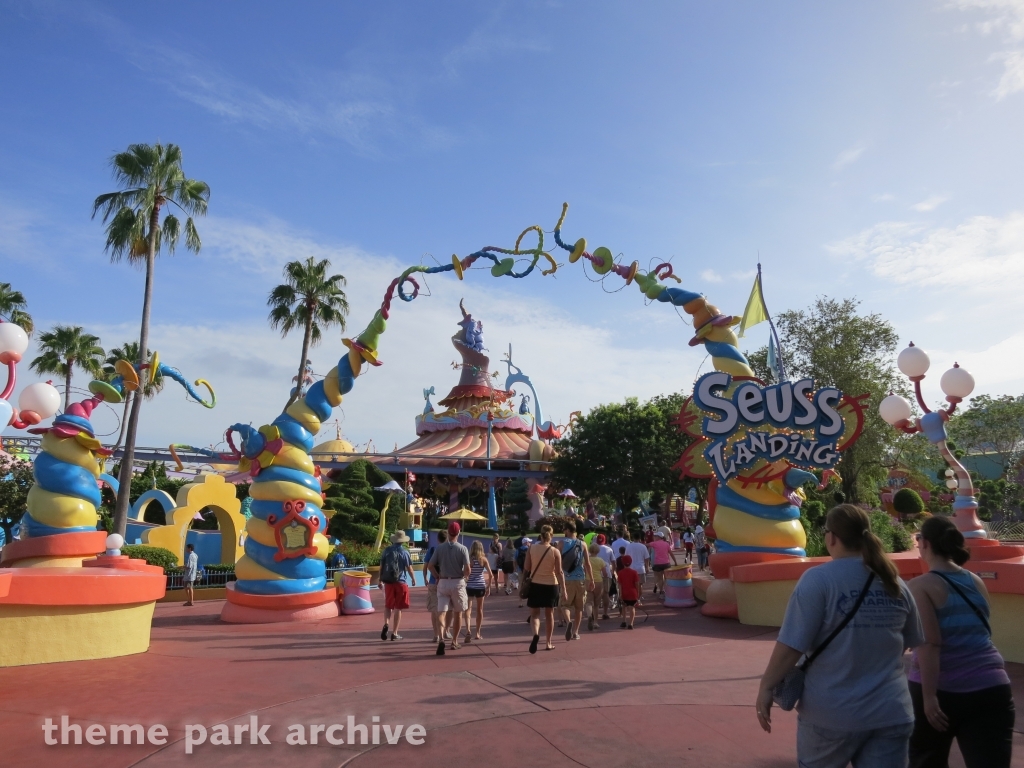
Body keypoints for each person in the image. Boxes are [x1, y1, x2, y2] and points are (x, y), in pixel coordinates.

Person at [755, 504, 924, 767]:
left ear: (831, 537)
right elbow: (908, 643)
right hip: (891, 711)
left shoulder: (818, 580)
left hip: (832, 713)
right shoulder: (895, 583)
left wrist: (766, 687)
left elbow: (791, 646)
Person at [908, 516, 1015, 768]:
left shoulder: (920, 586)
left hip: (943, 691)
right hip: (992, 688)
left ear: (925, 543)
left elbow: (930, 644)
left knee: (926, 760)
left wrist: (929, 697)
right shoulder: (975, 580)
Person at [427, 522, 471, 655]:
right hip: (457, 581)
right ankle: (454, 641)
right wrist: (464, 577)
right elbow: (468, 570)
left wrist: (437, 576)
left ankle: (441, 638)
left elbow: (430, 565)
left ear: (448, 532)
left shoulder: (440, 548)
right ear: (458, 533)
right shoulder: (463, 549)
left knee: (441, 612)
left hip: (443, 582)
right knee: (458, 612)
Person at [523, 525, 567, 653]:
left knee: (535, 614)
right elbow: (559, 572)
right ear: (551, 536)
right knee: (550, 615)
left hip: (535, 584)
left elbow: (527, 567)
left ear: (540, 535)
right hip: (551, 585)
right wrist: (563, 588)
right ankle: (548, 642)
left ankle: (536, 634)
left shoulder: (532, 548)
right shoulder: (555, 551)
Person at [559, 521, 595, 641]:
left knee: (565, 605)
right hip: (580, 578)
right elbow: (588, 563)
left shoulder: (561, 543)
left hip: (567, 579)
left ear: (568, 530)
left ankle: (568, 621)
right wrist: (591, 579)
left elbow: (557, 563)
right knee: (579, 608)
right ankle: (575, 632)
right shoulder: (583, 544)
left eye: (564, 529)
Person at [380, 531, 416, 641]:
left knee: (388, 605)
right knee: (398, 607)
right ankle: (394, 633)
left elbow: (381, 566)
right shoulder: (404, 552)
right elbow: (409, 568)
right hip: (400, 582)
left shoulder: (386, 551)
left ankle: (386, 623)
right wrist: (413, 578)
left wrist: (380, 579)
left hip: (388, 582)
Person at [423, 530, 448, 643]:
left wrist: (425, 578)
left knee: (434, 610)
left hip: (433, 582)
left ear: (438, 539)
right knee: (444, 610)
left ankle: (436, 635)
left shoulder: (432, 550)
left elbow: (426, 566)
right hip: (446, 582)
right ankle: (444, 631)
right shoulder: (449, 550)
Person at [465, 540, 493, 641]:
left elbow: (466, 573)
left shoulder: (469, 560)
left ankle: (468, 630)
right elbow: (491, 574)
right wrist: (488, 587)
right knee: (479, 610)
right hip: (480, 586)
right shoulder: (483, 559)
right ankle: (477, 633)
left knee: (468, 609)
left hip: (470, 586)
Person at [586, 542, 610, 630]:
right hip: (598, 581)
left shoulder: (586, 560)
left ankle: (589, 616)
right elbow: (605, 573)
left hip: (588, 580)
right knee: (596, 604)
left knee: (588, 602)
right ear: (597, 551)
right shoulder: (600, 560)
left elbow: (584, 570)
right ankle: (596, 622)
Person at [649, 530, 678, 597]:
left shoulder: (654, 543)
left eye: (655, 536)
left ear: (659, 537)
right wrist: (675, 562)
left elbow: (646, 545)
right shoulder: (666, 544)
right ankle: (667, 591)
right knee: (666, 578)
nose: (654, 537)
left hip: (658, 564)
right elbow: (671, 554)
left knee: (660, 578)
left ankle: (661, 592)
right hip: (666, 563)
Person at [616, 554, 640, 629]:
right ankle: (631, 623)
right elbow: (637, 583)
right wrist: (638, 592)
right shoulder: (634, 572)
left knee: (624, 606)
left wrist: (620, 593)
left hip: (624, 592)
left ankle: (624, 621)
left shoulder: (620, 573)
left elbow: (619, 584)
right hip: (632, 592)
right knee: (632, 607)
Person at [625, 533, 650, 601]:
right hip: (641, 568)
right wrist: (647, 567)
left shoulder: (628, 546)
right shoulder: (643, 546)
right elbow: (646, 558)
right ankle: (638, 598)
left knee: (632, 585)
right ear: (639, 539)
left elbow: (626, 557)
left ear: (633, 538)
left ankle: (633, 597)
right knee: (640, 585)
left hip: (631, 568)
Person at [595, 533, 614, 620]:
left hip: (595, 573)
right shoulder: (609, 549)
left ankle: (594, 613)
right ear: (604, 540)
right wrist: (613, 571)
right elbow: (613, 562)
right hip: (606, 572)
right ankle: (605, 613)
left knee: (595, 594)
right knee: (605, 593)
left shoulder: (593, 549)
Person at [516, 536, 532, 607]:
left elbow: (515, 560)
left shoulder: (518, 550)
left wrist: (515, 568)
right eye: (529, 542)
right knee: (530, 585)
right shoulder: (530, 549)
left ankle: (520, 602)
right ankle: (530, 601)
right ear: (526, 542)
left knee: (520, 584)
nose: (530, 543)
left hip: (520, 569)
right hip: (529, 570)